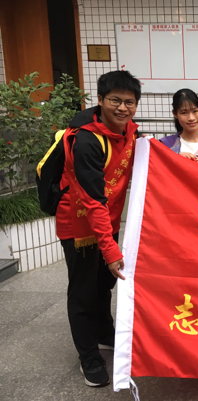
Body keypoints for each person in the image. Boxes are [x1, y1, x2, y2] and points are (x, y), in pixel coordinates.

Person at [55, 70, 142, 387]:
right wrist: (110, 250)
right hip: (77, 223)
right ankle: (89, 356)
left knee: (104, 282)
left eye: (129, 102)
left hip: (108, 219)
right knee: (82, 291)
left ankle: (105, 332)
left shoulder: (130, 132)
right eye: (115, 100)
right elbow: (92, 200)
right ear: (101, 100)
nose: (122, 108)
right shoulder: (87, 140)